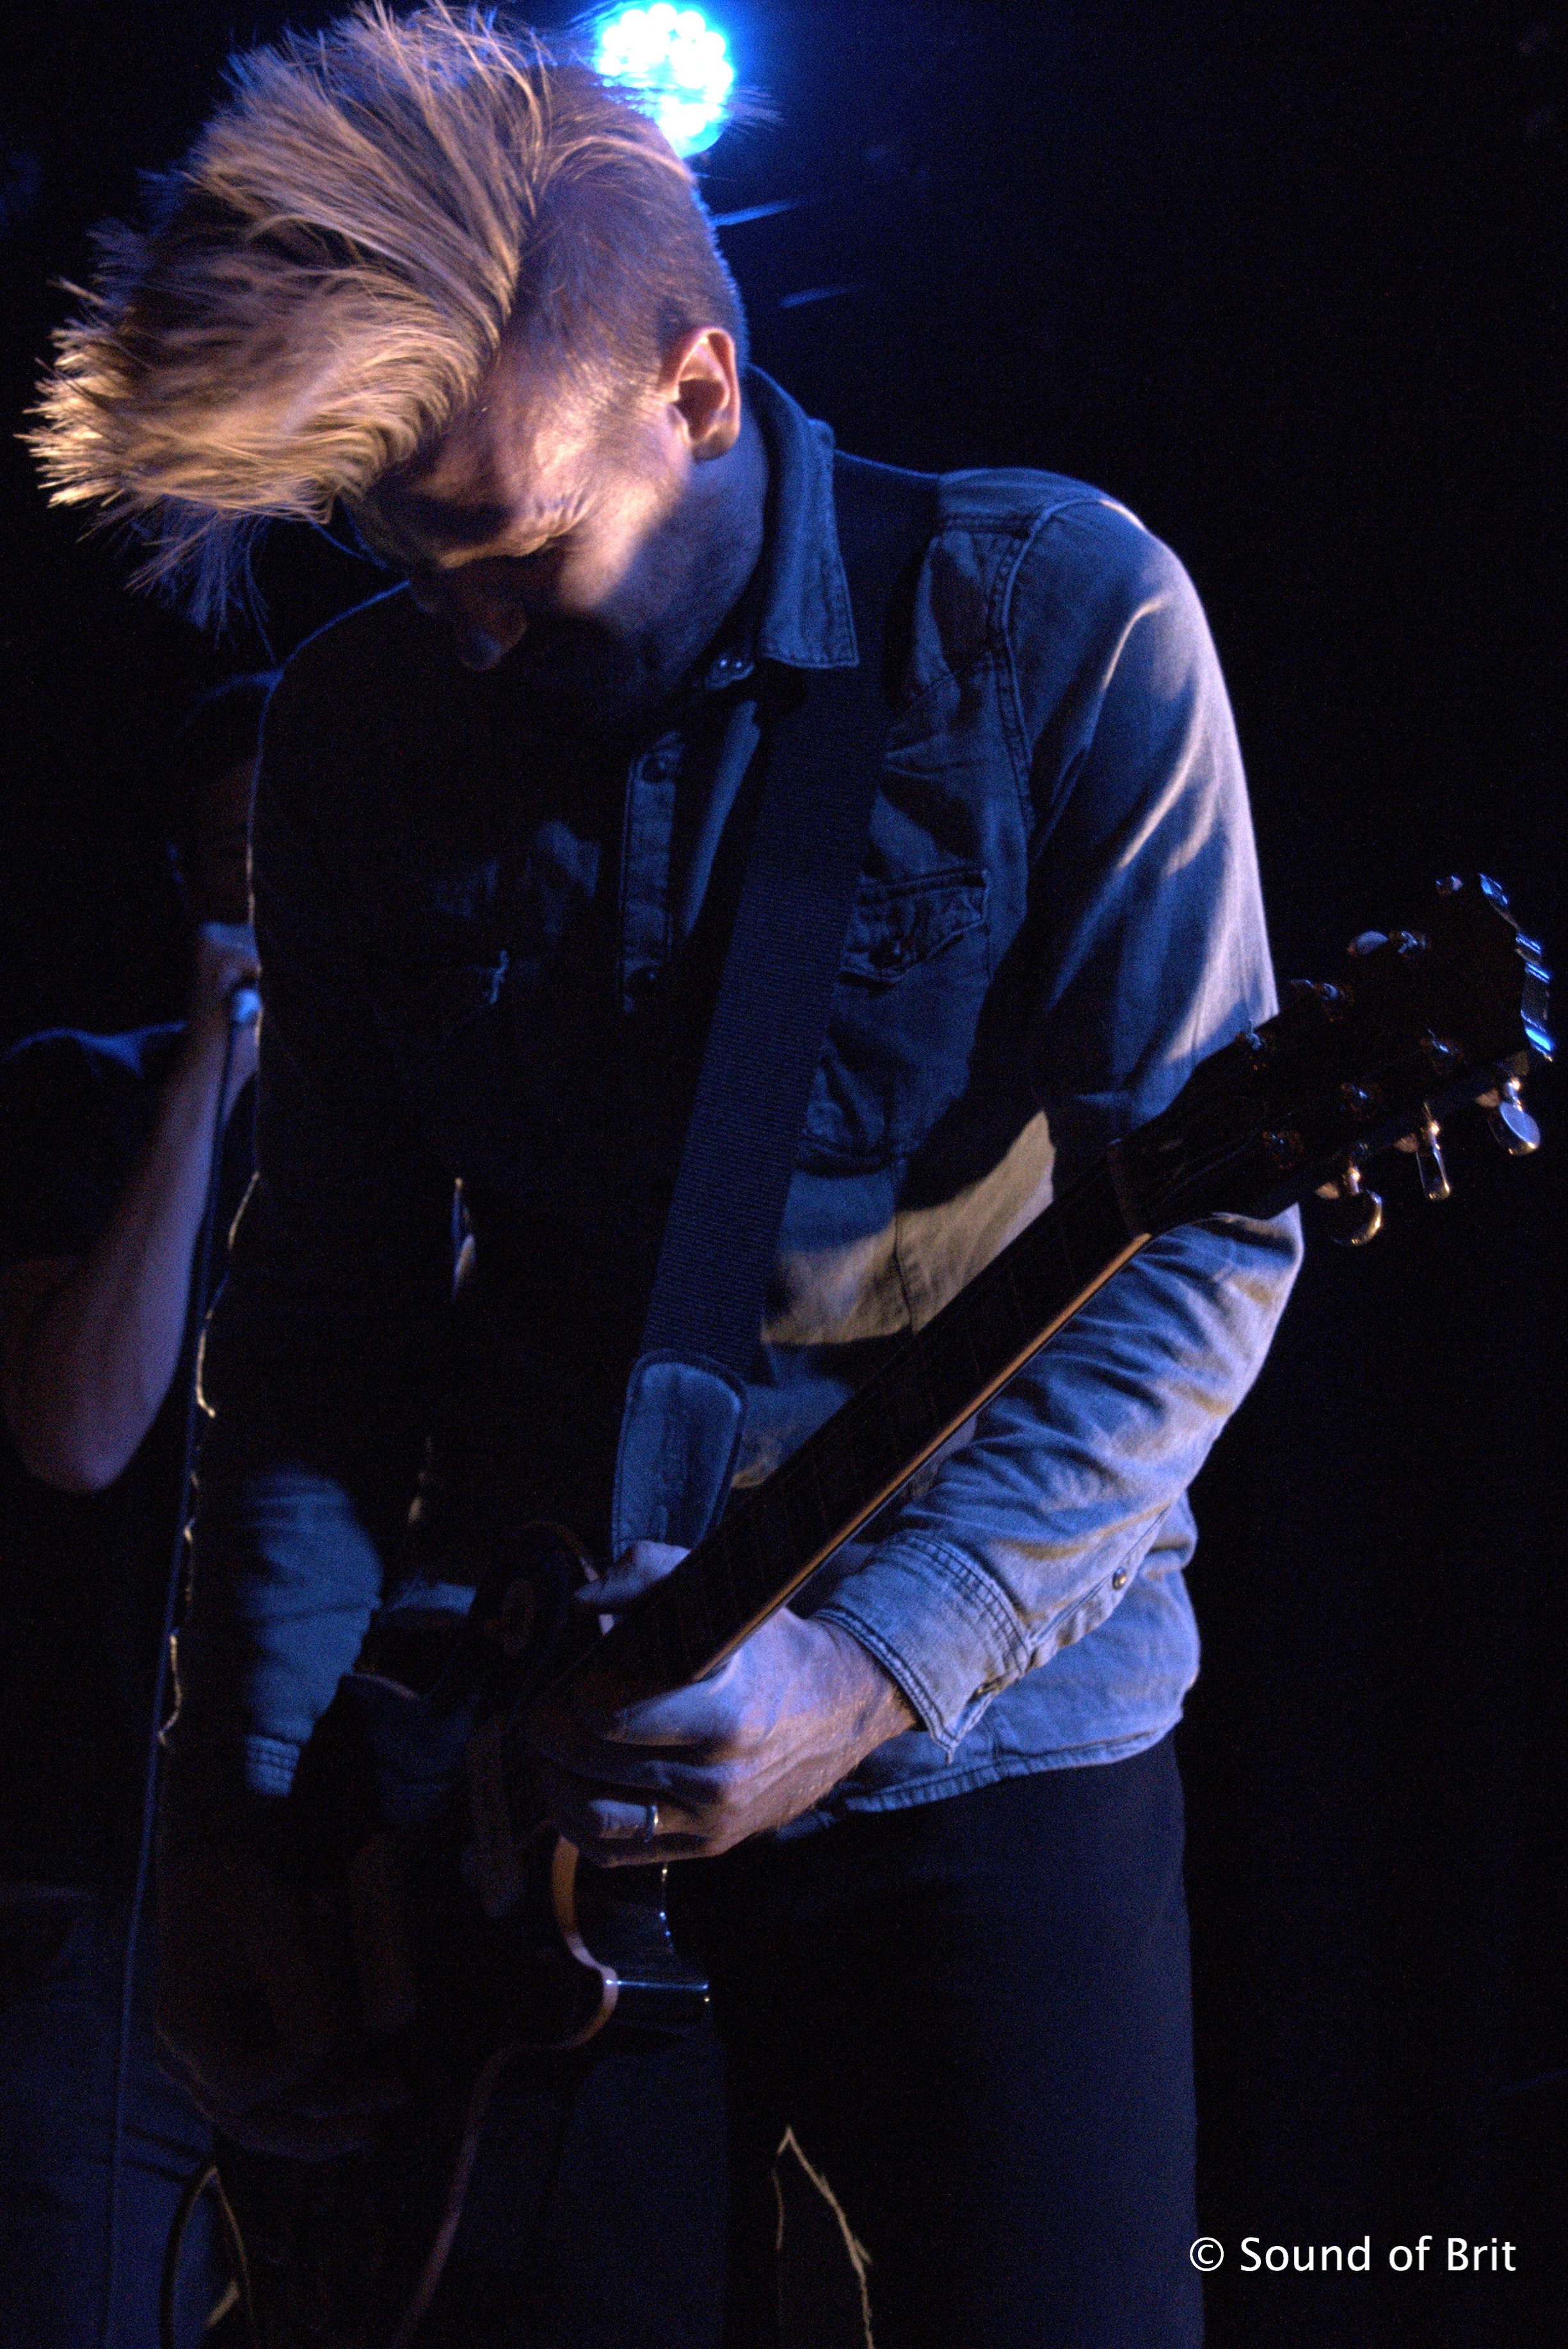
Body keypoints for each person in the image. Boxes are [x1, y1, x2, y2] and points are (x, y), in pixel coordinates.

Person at [29, 10, 1304, 2345]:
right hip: (513, 1772)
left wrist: (870, 1666)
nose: (464, 626)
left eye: (511, 547)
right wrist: (240, 1829)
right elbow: (315, 1326)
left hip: (987, 1740)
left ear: (696, 389)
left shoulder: (1053, 621)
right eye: (401, 553)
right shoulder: (359, 732)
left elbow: (1201, 1249)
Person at [0, 675, 267, 2348]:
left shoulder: (461, 1128)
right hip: (102, 1898)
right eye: (239, 851)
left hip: (369, 1904)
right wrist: (203, 1086)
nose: (276, 882)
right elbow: (79, 1434)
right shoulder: (78, 1098)